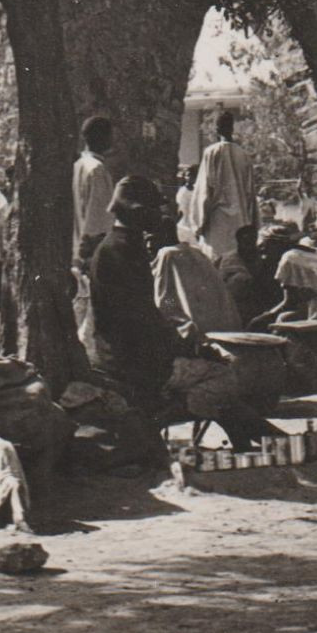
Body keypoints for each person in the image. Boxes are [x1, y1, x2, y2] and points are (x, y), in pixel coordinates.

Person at [89, 176, 277, 451]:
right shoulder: (119, 251)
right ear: (138, 211)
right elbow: (139, 320)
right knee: (222, 376)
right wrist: (185, 348)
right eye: (154, 209)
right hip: (131, 360)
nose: (160, 215)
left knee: (214, 374)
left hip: (131, 351)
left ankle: (254, 439)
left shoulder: (123, 245)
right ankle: (159, 420)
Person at [152, 221, 242, 345]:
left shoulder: (166, 254)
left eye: (150, 239)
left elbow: (165, 299)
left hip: (193, 333)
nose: (148, 245)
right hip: (218, 329)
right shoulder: (196, 253)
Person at [188, 111, 257, 261]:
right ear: (232, 129)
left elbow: (203, 192)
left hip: (217, 222)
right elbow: (250, 193)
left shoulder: (211, 152)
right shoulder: (244, 155)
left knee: (216, 267)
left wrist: (198, 224)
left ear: (216, 130)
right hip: (241, 221)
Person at [74, 116, 117, 265]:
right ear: (103, 137)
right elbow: (98, 219)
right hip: (91, 254)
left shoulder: (78, 165)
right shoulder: (97, 170)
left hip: (76, 247)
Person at [217, 224, 268, 327]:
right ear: (239, 242)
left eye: (253, 241)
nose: (250, 245)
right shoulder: (226, 258)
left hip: (256, 303)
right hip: (232, 303)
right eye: (246, 242)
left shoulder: (262, 258)